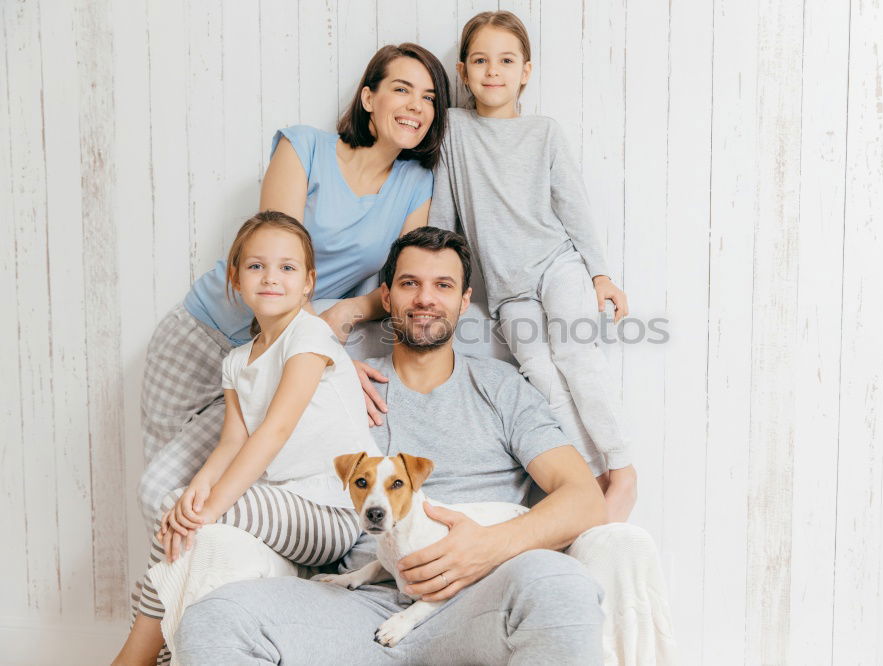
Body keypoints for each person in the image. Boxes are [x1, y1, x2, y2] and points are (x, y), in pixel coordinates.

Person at [172, 227, 608, 664]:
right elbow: (261, 425)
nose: (425, 299)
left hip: (478, 596)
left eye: (443, 285)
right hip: (358, 603)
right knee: (215, 619)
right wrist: (336, 367)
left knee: (560, 583)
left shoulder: (501, 388)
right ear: (385, 297)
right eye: (409, 283)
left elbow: (585, 500)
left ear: (463, 299)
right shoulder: (336, 380)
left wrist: (488, 547)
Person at [137, 42, 451, 526]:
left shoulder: (416, 182)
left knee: (206, 492)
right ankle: (177, 598)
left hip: (274, 358)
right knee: (164, 491)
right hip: (203, 335)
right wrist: (327, 344)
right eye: (402, 89)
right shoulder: (303, 146)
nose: (416, 106)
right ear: (368, 97)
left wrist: (342, 317)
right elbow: (277, 257)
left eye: (429, 97)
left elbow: (399, 283)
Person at [113, 212, 382, 665]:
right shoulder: (238, 360)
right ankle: (163, 657)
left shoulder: (310, 336)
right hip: (285, 503)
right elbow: (231, 442)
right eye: (257, 266)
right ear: (235, 279)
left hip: (333, 511)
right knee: (178, 510)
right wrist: (197, 492)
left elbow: (275, 431)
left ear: (308, 283)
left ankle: (131, 659)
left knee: (188, 518)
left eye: (287, 268)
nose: (271, 277)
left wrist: (210, 507)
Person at [426, 11, 638, 521]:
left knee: (576, 358)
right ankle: (590, 478)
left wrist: (600, 274)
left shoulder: (544, 132)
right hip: (507, 288)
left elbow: (573, 206)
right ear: (462, 70)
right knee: (540, 374)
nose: (492, 71)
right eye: (480, 60)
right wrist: (441, 284)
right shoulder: (453, 131)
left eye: (505, 61)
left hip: (557, 264)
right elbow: (443, 213)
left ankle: (623, 468)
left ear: (525, 71)